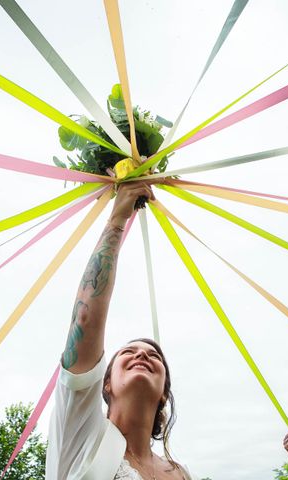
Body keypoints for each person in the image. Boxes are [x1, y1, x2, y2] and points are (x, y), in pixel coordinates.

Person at [45, 182, 196, 479]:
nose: (142, 354)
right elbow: (84, 322)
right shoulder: (81, 435)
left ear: (164, 392)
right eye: (129, 352)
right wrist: (116, 221)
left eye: (155, 356)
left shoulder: (180, 473)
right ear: (105, 384)